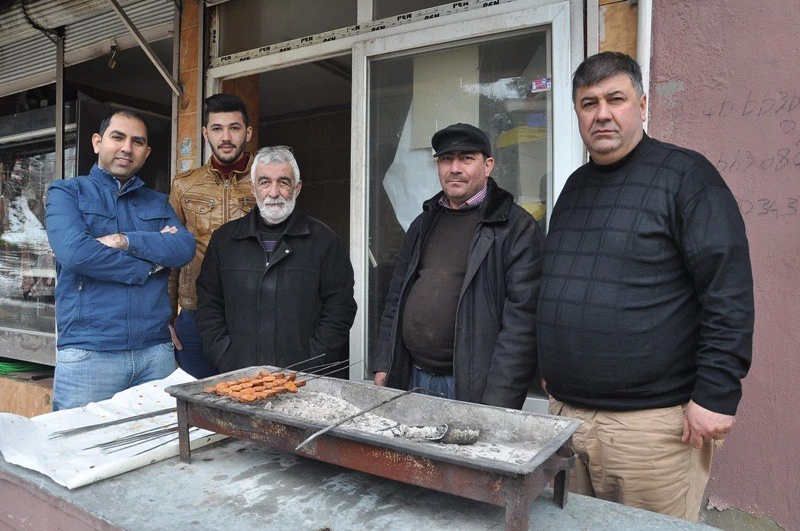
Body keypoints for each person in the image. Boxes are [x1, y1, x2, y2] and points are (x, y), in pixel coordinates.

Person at [537, 52, 754, 521]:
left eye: (615, 99)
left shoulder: (687, 177)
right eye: (589, 103)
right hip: (568, 418)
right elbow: (562, 281)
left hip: (650, 430)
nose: (602, 114)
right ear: (577, 113)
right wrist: (550, 360)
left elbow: (727, 291)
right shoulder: (574, 187)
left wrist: (716, 395)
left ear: (642, 104)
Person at [372, 123, 543, 409]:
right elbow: (396, 298)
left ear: (488, 166)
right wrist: (384, 363)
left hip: (472, 389)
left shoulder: (515, 228)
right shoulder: (423, 223)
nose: (454, 168)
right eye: (446, 159)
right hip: (412, 377)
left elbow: (522, 327)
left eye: (466, 158)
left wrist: (498, 403)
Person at [45, 110, 195, 411]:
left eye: (137, 142)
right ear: (97, 142)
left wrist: (123, 240)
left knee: (157, 440)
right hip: (90, 353)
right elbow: (76, 253)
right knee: (81, 440)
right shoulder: (67, 193)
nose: (127, 148)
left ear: (146, 152)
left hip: (155, 353)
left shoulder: (157, 202)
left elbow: (183, 248)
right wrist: (150, 265)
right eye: (118, 137)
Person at [195, 146, 357, 374]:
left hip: (303, 379)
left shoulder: (325, 242)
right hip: (239, 377)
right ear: (253, 188)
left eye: (283, 182)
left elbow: (339, 310)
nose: (273, 192)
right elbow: (209, 304)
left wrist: (312, 362)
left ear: (297, 188)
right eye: (264, 182)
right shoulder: (224, 241)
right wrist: (224, 356)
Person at [168, 93, 256, 378]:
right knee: (195, 399)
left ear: (248, 133)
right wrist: (166, 317)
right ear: (206, 134)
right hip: (194, 314)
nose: (226, 137)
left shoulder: (265, 182)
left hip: (252, 314)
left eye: (234, 128)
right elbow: (170, 255)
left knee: (249, 396)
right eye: (217, 128)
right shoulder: (184, 186)